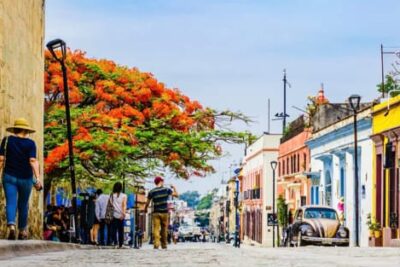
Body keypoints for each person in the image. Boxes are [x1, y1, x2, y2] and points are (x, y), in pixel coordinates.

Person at [0, 118, 42, 240]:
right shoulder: (30, 144)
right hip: (26, 178)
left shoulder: (7, 140)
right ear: (25, 130)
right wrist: (37, 178)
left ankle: (11, 226)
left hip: (9, 176)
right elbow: (33, 161)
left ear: (16, 129)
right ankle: (22, 231)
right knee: (23, 204)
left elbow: (1, 159)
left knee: (10, 202)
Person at [144, 176, 178, 249]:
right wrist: (174, 187)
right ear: (161, 181)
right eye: (163, 181)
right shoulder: (166, 189)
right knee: (164, 229)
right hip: (165, 213)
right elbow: (177, 195)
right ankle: (164, 245)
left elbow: (147, 202)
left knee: (156, 229)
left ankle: (156, 244)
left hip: (156, 212)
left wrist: (145, 209)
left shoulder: (152, 191)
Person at [110, 182, 127, 248]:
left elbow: (111, 205)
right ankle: (121, 244)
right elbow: (124, 205)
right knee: (121, 230)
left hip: (114, 214)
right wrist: (123, 214)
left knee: (114, 229)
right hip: (121, 214)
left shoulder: (111, 195)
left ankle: (115, 242)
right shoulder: (124, 195)